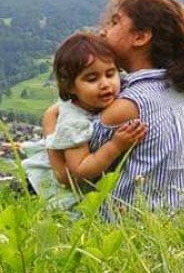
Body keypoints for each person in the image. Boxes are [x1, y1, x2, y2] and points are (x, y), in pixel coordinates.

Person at [64, 0, 184, 216]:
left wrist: (52, 121)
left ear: (140, 37)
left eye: (115, 23)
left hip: (125, 224)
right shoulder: (173, 89)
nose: (103, 31)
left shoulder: (129, 105)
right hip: (170, 220)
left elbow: (76, 170)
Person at [17, 31, 146, 210]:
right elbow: (79, 171)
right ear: (70, 86)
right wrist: (115, 146)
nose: (105, 84)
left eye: (110, 74)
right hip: (41, 190)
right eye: (92, 79)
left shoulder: (101, 95)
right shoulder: (73, 122)